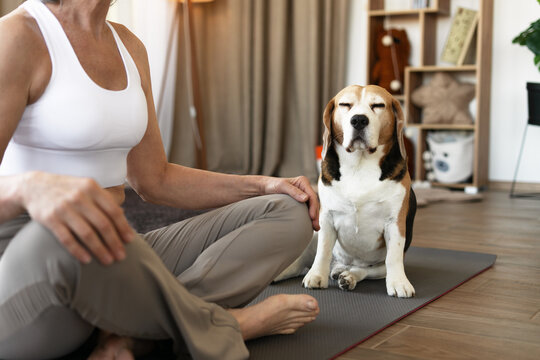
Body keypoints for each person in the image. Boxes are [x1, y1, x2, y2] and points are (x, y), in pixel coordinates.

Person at [0, 0, 321, 359]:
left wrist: (263, 185)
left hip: (115, 249)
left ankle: (139, 335)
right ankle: (229, 325)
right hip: (28, 265)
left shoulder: (129, 47)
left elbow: (156, 180)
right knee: (61, 233)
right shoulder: (19, 35)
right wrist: (28, 187)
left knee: (290, 211)